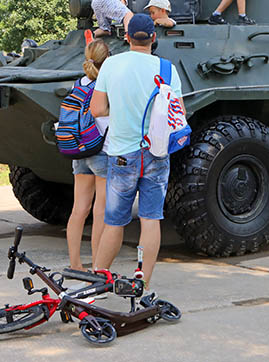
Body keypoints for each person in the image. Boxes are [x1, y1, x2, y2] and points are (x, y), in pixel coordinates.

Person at [91, 14, 183, 286]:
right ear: (154, 37)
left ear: (127, 37)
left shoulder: (111, 65)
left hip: (122, 154)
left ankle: (98, 279)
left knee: (115, 222)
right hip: (156, 153)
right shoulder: (167, 69)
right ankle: (142, 279)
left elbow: (97, 109)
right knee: (150, 219)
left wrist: (116, 109)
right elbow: (178, 114)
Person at [67, 39, 110, 272]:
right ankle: (97, 267)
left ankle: (75, 264)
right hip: (101, 151)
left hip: (79, 150)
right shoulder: (106, 83)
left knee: (79, 209)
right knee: (100, 210)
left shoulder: (79, 83)